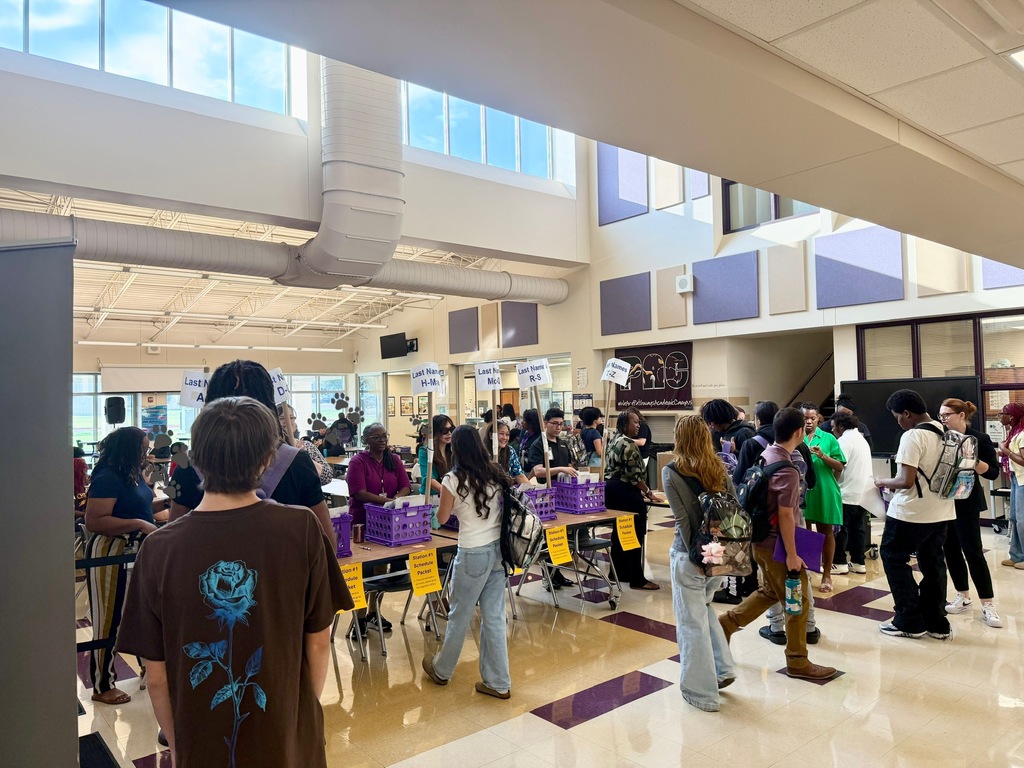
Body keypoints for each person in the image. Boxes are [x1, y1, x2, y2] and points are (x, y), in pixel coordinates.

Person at [116, 396, 351, 767]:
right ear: (267, 459)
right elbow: (319, 642)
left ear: (194, 460)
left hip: (200, 740)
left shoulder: (158, 548)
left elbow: (157, 677)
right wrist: (299, 717)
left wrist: (179, 747)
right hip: (284, 734)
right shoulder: (302, 528)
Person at [718, 408, 838, 681]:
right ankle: (797, 660)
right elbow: (785, 514)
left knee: (770, 592)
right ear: (799, 432)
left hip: (763, 541)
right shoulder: (788, 468)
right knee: (798, 602)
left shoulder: (767, 454)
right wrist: (793, 555)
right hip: (780, 545)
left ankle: (725, 624)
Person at [168, 360, 336, 551]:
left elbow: (174, 543)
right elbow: (327, 545)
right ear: (268, 405)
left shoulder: (189, 467)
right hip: (284, 576)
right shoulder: (297, 463)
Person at [422, 426, 512, 699]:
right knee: (494, 617)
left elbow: (443, 515)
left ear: (456, 449)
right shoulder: (495, 472)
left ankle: (443, 670)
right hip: (498, 552)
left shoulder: (452, 479)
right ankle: (499, 682)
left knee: (459, 615)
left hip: (472, 552)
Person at [84, 427, 169, 705]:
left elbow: (141, 509)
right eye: (142, 449)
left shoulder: (130, 475)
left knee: (136, 615)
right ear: (128, 449)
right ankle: (101, 685)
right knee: (108, 620)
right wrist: (140, 524)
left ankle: (141, 668)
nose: (146, 453)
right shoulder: (108, 476)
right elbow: (95, 520)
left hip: (133, 551)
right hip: (111, 551)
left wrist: (170, 501)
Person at [662, 415, 737, 711]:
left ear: (678, 438)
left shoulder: (672, 471)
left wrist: (697, 558)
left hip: (689, 555)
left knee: (690, 623)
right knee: (705, 609)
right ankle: (723, 669)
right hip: (720, 552)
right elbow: (732, 509)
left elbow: (683, 522)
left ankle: (701, 693)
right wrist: (714, 553)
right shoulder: (718, 467)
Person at [874, 389, 955, 639]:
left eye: (897, 416)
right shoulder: (948, 433)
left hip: (910, 512)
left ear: (907, 414)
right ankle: (936, 621)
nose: (897, 421)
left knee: (892, 556)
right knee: (933, 563)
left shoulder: (913, 436)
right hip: (942, 510)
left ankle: (909, 619)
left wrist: (881, 481)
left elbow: (906, 480)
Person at [938, 399, 1003, 627]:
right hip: (945, 501)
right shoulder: (941, 438)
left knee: (973, 551)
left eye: (947, 415)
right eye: (941, 416)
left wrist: (973, 460)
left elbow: (993, 474)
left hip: (967, 501)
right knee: (951, 550)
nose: (943, 419)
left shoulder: (979, 439)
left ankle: (988, 603)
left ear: (962, 415)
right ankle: (963, 595)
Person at [606, 410, 659, 590]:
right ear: (624, 425)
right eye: (635, 422)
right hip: (626, 492)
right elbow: (635, 476)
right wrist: (648, 492)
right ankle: (637, 578)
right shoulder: (629, 445)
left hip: (612, 491)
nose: (638, 426)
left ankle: (617, 572)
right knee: (634, 534)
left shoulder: (614, 440)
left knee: (619, 533)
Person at [800, 403, 846, 592]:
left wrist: (823, 455)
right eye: (805, 418)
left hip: (824, 490)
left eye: (812, 418)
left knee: (826, 531)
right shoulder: (796, 437)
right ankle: (807, 572)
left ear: (819, 418)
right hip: (803, 490)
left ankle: (827, 574)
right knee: (805, 532)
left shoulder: (828, 438)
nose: (809, 421)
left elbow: (840, 466)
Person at [831, 411, 883, 575]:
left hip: (847, 492)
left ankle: (839, 562)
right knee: (857, 529)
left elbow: (839, 465)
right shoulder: (861, 439)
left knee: (840, 529)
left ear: (840, 426)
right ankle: (858, 562)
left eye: (833, 427)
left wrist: (831, 483)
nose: (833, 431)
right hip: (863, 493)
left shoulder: (845, 441)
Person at [278, 403, 333, 485]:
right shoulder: (271, 449)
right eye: (282, 418)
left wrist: (303, 456)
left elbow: (327, 476)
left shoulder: (307, 446)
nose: (288, 421)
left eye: (291, 417)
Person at [998, 402, 1024, 570]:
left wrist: (1006, 452)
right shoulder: (1014, 433)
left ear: (1012, 416)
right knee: (1014, 518)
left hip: (1023, 481)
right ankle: (1016, 556)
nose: (1001, 416)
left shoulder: (1023, 434)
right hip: (1016, 479)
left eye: (1003, 413)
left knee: (1023, 520)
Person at [524, 407, 579, 481]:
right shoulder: (538, 445)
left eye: (561, 424)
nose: (558, 427)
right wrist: (560, 469)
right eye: (555, 423)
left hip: (564, 487)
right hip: (546, 488)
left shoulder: (563, 444)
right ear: (545, 423)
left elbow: (569, 466)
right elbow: (538, 471)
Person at [732, 400, 778, 486]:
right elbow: (810, 480)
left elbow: (738, 477)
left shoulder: (750, 444)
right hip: (785, 494)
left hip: (759, 495)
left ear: (758, 420)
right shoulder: (789, 441)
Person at [419, 414, 455, 497]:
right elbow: (428, 478)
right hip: (431, 497)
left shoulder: (453, 451)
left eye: (451, 429)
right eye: (444, 430)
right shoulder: (425, 451)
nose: (449, 433)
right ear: (436, 432)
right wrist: (448, 493)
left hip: (450, 496)